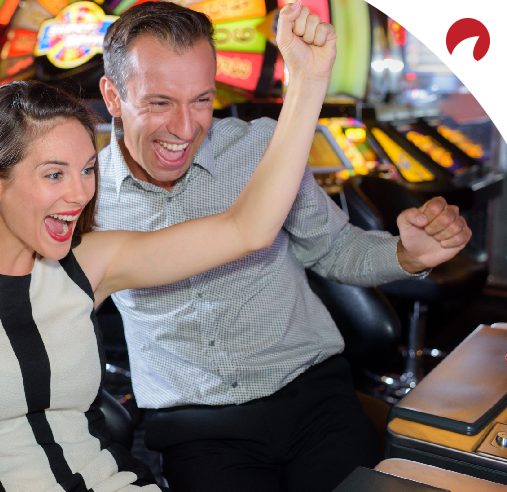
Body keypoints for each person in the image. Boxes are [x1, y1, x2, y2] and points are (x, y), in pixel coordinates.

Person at [0, 0, 340, 489]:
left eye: (88, 169)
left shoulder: (87, 262)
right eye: (54, 174)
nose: (80, 193)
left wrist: (307, 82)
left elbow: (248, 229)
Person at [95, 2, 473, 491]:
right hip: (196, 424)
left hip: (311, 395)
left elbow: (333, 248)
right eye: (159, 102)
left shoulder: (263, 148)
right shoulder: (83, 195)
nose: (185, 129)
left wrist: (407, 254)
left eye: (202, 101)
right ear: (112, 95)